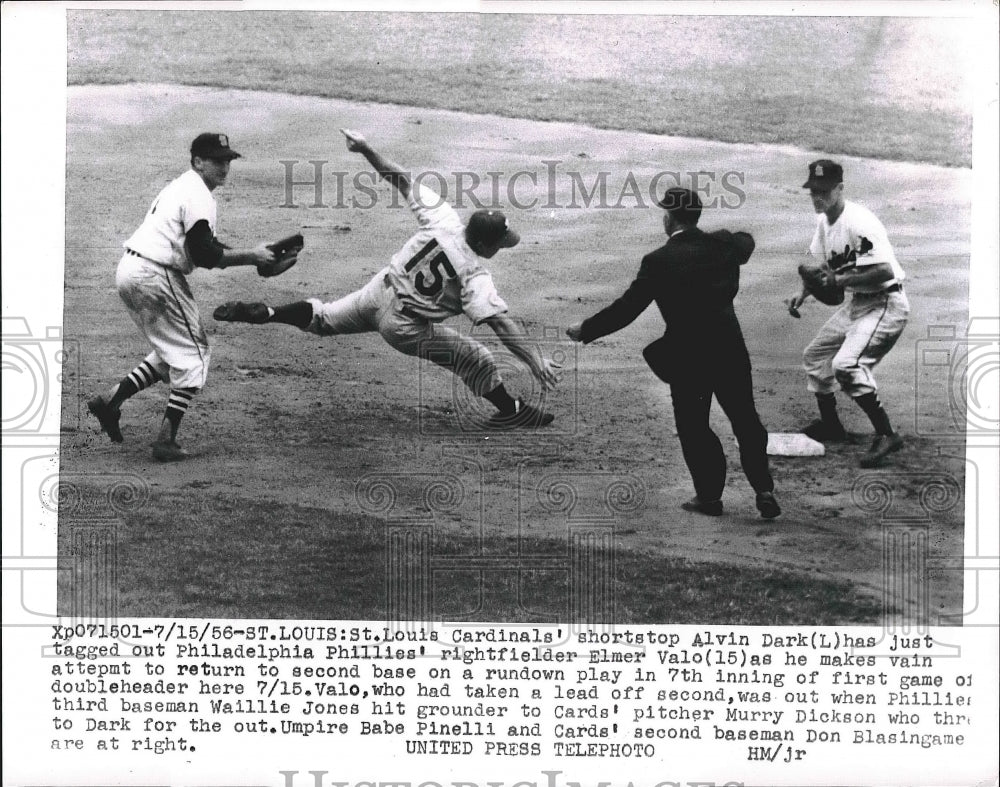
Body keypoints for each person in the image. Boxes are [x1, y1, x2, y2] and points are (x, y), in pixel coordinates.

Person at [213, 129, 560, 428]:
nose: (502, 248)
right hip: (404, 328)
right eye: (499, 244)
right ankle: (511, 411)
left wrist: (365, 148)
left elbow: (401, 178)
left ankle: (270, 313)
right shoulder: (474, 276)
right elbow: (501, 325)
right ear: (483, 243)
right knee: (476, 359)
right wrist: (535, 360)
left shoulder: (444, 220)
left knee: (325, 317)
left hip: (377, 291)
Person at [567, 188, 780, 519]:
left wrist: (587, 329)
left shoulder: (658, 261)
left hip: (688, 355)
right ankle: (763, 487)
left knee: (695, 426)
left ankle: (709, 497)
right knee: (745, 419)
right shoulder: (724, 245)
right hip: (729, 349)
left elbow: (627, 309)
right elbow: (746, 242)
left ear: (669, 218)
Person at [87, 133, 277, 461]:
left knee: (174, 347)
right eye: (217, 160)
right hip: (155, 276)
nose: (224, 167)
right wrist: (253, 257)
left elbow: (202, 245)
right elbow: (204, 255)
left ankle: (112, 400)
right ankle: (166, 439)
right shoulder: (199, 194)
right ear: (197, 161)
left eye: (228, 160)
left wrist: (254, 255)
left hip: (130, 272)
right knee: (196, 351)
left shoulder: (183, 187)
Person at [787, 160, 909, 468]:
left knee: (846, 365)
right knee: (815, 356)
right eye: (813, 191)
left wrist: (841, 281)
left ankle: (887, 434)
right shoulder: (825, 222)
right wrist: (803, 293)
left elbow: (882, 270)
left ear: (840, 189)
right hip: (858, 305)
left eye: (824, 191)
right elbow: (825, 268)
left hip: (885, 305)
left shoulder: (859, 222)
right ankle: (831, 426)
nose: (818, 197)